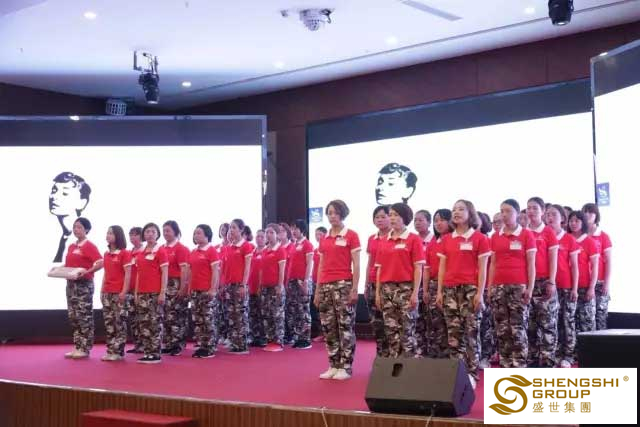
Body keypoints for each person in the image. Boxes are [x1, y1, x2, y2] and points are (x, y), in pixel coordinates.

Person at [436, 200, 489, 388]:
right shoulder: (446, 239)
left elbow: (483, 269)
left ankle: (472, 374)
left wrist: (480, 293)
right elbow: (442, 268)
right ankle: (457, 373)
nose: (456, 212)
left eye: (461, 209)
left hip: (470, 290)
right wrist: (440, 291)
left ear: (470, 213)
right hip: (450, 289)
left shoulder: (480, 238)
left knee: (471, 333)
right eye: (454, 210)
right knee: (454, 334)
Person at [315, 200, 361, 380]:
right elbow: (321, 265)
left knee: (345, 326)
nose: (332, 216)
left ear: (342, 214)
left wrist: (354, 288)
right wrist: (317, 290)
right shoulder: (325, 238)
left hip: (343, 284)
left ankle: (346, 366)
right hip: (325, 285)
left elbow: (356, 264)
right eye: (329, 213)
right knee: (329, 327)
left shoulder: (351, 235)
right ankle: (333, 364)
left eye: (335, 212)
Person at [489, 199, 536, 368]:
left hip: (518, 286)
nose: (504, 214)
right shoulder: (495, 236)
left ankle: (519, 364)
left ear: (517, 213)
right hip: (499, 286)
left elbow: (531, 263)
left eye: (508, 211)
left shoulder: (526, 234)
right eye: (502, 211)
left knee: (518, 327)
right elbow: (493, 263)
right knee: (502, 327)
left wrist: (530, 288)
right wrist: (490, 287)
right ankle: (505, 362)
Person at [375, 203, 425, 358]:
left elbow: (418, 268)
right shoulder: (384, 240)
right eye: (390, 215)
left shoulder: (413, 239)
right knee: (391, 332)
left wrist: (415, 293)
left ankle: (409, 367)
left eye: (396, 215)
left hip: (406, 289)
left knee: (407, 332)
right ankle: (395, 366)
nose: (392, 218)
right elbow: (379, 269)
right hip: (386, 290)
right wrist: (377, 293)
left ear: (405, 218)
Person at [526, 197, 559, 368]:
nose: (531, 211)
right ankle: (532, 360)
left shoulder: (548, 232)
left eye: (535, 208)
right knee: (530, 324)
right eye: (528, 208)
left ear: (542, 211)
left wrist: (551, 281)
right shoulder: (523, 231)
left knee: (547, 324)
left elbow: (553, 259)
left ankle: (547, 362)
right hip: (527, 284)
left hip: (544, 282)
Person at [64, 217, 102, 359]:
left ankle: (85, 347)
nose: (76, 230)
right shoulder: (72, 246)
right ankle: (78, 345)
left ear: (86, 229)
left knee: (83, 316)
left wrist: (87, 272)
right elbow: (69, 265)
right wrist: (58, 269)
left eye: (79, 227)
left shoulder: (89, 246)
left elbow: (100, 263)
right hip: (71, 284)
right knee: (73, 316)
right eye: (74, 227)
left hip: (84, 285)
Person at [546, 205, 580, 368]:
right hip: (548, 286)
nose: (550, 218)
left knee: (568, 320)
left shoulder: (569, 239)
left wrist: (574, 288)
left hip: (565, 285)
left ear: (562, 218)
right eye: (548, 214)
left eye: (554, 214)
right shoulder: (543, 236)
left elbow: (574, 266)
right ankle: (556, 353)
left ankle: (569, 355)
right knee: (552, 322)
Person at [134, 222, 169, 364]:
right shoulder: (141, 252)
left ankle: (155, 353)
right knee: (144, 323)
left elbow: (165, 273)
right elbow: (139, 273)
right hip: (142, 292)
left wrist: (162, 292)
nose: (150, 234)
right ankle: (147, 352)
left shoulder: (160, 250)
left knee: (154, 323)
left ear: (157, 234)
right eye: (147, 231)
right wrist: (136, 292)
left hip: (154, 292)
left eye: (153, 232)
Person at [188, 224, 220, 359]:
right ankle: (202, 345)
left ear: (207, 235)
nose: (196, 235)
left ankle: (210, 347)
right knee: (198, 319)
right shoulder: (193, 252)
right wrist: (189, 288)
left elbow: (215, 272)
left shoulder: (212, 251)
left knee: (208, 319)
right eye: (195, 233)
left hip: (206, 290)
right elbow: (190, 272)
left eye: (199, 233)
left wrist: (213, 289)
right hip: (195, 291)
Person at [100, 225, 132, 361]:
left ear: (118, 236)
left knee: (119, 322)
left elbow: (128, 274)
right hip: (107, 292)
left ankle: (118, 351)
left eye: (111, 233)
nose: (108, 235)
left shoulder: (124, 253)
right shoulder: (106, 254)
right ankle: (110, 349)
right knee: (109, 322)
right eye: (107, 233)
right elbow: (105, 273)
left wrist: (124, 291)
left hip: (118, 292)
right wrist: (102, 290)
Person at [423, 209, 452, 359]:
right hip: (434, 286)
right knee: (434, 323)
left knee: (450, 323)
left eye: (442, 220)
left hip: (450, 286)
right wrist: (425, 289)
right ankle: (437, 356)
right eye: (436, 221)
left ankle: (450, 358)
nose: (438, 223)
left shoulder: (452, 239)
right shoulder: (433, 242)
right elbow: (427, 269)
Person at [224, 219, 255, 354]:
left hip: (240, 284)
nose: (231, 230)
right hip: (229, 285)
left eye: (234, 228)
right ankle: (234, 342)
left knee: (241, 314)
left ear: (241, 230)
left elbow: (247, 267)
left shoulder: (246, 246)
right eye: (230, 227)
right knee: (232, 315)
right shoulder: (229, 247)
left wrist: (243, 284)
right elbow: (226, 268)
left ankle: (242, 344)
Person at [365, 206, 391, 357]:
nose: (380, 220)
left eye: (383, 216)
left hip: (389, 284)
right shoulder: (372, 238)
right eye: (377, 217)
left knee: (391, 324)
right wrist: (366, 283)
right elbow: (370, 262)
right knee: (377, 323)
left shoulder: (394, 237)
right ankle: (381, 356)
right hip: (373, 282)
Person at [161, 220, 190, 356]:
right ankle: (168, 343)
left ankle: (178, 343)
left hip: (176, 283)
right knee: (166, 315)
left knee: (177, 315)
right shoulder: (162, 248)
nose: (165, 233)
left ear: (175, 232)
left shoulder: (181, 248)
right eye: (164, 231)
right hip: (165, 284)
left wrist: (183, 288)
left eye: (168, 230)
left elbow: (184, 269)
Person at [568, 211, 599, 335]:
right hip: (568, 287)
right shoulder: (566, 238)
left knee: (587, 321)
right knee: (571, 323)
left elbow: (595, 266)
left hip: (585, 286)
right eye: (571, 221)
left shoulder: (589, 241)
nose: (573, 223)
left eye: (577, 221)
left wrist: (591, 288)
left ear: (583, 223)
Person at [582, 203, 612, 330]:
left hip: (600, 282)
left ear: (596, 215)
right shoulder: (580, 235)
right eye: (585, 212)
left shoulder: (603, 236)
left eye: (591, 212)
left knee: (600, 316)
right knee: (587, 318)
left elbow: (609, 261)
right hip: (584, 282)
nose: (587, 215)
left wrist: (606, 283)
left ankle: (602, 342)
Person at [49, 172, 92, 263]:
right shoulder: (59, 235)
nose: (54, 196)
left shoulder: (82, 240)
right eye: (54, 191)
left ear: (82, 203)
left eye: (64, 193)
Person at [259, 224, 288, 352]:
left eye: (271, 232)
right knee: (267, 314)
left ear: (277, 234)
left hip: (276, 287)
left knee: (277, 314)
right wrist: (260, 285)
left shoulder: (280, 250)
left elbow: (282, 270)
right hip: (265, 287)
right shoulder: (265, 250)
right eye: (267, 232)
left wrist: (280, 285)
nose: (268, 235)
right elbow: (261, 269)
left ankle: (278, 341)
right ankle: (270, 339)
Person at [288, 219, 315, 349]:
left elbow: (309, 263)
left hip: (302, 280)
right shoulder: (294, 245)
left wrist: (305, 280)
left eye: (296, 229)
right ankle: (298, 337)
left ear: (302, 230)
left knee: (304, 310)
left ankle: (305, 339)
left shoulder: (307, 244)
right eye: (292, 229)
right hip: (292, 281)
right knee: (295, 310)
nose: (293, 231)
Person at [413, 209, 432, 357]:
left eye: (421, 220)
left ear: (429, 222)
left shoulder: (434, 239)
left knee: (430, 319)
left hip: (431, 284)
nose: (417, 223)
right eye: (415, 220)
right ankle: (419, 350)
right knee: (416, 319)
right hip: (415, 284)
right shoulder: (412, 239)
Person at [126, 227, 144, 354]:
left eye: (135, 235)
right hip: (130, 289)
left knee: (142, 317)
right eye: (130, 235)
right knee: (133, 318)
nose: (132, 237)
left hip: (142, 289)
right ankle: (137, 344)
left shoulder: (144, 251)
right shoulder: (128, 252)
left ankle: (145, 344)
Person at [248, 229, 266, 347]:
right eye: (257, 236)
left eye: (261, 237)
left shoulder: (266, 252)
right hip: (251, 286)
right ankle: (255, 336)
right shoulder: (252, 252)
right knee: (253, 313)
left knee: (262, 313)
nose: (259, 239)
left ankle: (264, 337)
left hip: (262, 287)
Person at [279, 222, 296, 344]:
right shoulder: (276, 247)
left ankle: (292, 335)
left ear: (287, 232)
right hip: (278, 282)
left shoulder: (292, 247)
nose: (280, 233)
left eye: (282, 231)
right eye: (278, 231)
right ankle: (283, 334)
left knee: (291, 309)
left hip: (290, 282)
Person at [215, 223, 230, 347]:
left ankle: (229, 335)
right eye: (221, 229)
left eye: (225, 229)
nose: (223, 231)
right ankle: (221, 334)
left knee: (228, 310)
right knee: (219, 310)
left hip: (227, 281)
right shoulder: (216, 247)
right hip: (217, 281)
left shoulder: (230, 247)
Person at [311, 226, 327, 342]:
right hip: (315, 281)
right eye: (316, 234)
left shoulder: (327, 249)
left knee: (325, 308)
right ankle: (321, 332)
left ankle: (327, 333)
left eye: (320, 234)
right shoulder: (315, 250)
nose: (318, 236)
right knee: (318, 308)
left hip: (324, 281)